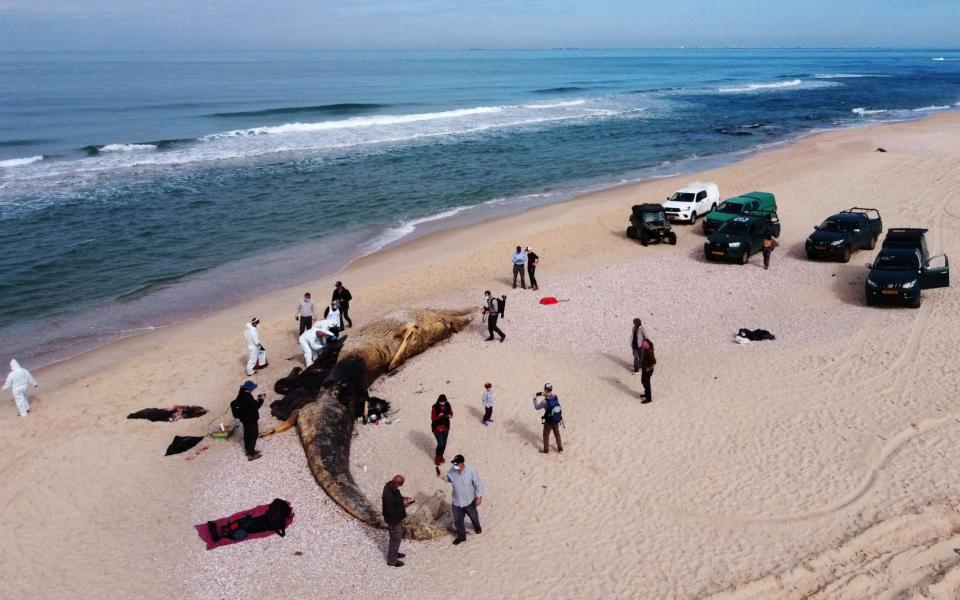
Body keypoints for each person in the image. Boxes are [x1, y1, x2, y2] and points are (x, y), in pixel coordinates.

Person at [436, 455, 485, 545]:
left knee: (473, 516)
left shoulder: (471, 471)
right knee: (458, 520)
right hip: (457, 501)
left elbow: (478, 484)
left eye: (457, 464)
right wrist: (442, 477)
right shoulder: (452, 470)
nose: (455, 466)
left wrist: (479, 497)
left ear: (462, 463)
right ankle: (462, 536)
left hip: (469, 500)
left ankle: (477, 526)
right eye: (454, 464)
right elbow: (450, 479)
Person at [381, 474, 414, 567]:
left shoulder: (390, 485)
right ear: (397, 483)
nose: (399, 486)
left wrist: (402, 499)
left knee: (396, 538)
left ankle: (394, 553)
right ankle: (392, 560)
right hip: (393, 520)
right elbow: (391, 511)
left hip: (395, 519)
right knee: (395, 539)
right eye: (400, 484)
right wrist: (404, 506)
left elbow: (395, 497)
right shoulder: (388, 494)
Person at [231, 380, 264, 461]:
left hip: (244, 419)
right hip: (251, 419)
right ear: (249, 389)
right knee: (254, 435)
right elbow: (255, 407)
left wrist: (257, 400)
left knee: (247, 434)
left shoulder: (241, 394)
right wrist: (261, 400)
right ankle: (251, 454)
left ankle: (248, 450)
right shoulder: (248, 397)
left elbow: (249, 405)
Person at [532, 383, 563, 454]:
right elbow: (549, 396)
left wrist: (534, 399)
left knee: (545, 435)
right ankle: (560, 449)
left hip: (549, 421)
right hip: (556, 419)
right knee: (557, 433)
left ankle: (546, 450)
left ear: (545, 390)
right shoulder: (555, 396)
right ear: (551, 389)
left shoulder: (544, 402)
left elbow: (537, 407)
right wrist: (542, 394)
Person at [431, 394, 453, 465]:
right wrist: (439, 416)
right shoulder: (435, 407)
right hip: (437, 428)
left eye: (443, 402)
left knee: (444, 443)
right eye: (441, 402)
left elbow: (451, 413)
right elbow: (433, 418)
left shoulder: (448, 405)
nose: (442, 403)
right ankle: (437, 457)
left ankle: (441, 455)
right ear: (439, 401)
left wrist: (450, 415)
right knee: (440, 443)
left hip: (446, 427)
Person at [639, 338, 656, 404]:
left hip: (648, 370)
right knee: (643, 381)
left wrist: (649, 368)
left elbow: (654, 362)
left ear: (647, 344)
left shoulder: (649, 351)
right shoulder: (646, 349)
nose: (642, 345)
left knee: (647, 383)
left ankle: (648, 398)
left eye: (643, 344)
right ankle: (646, 393)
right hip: (644, 369)